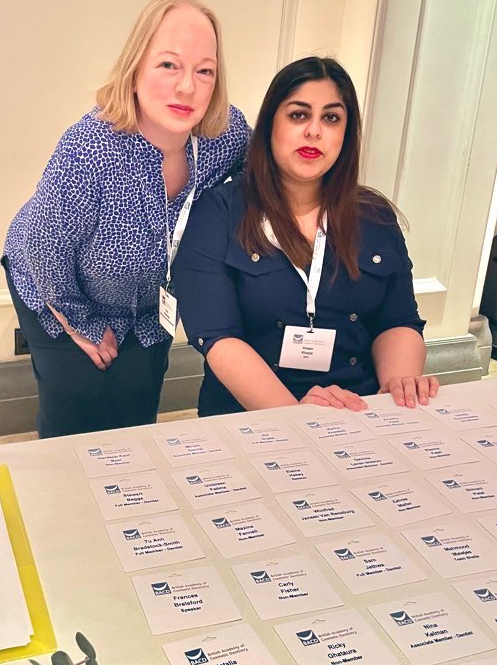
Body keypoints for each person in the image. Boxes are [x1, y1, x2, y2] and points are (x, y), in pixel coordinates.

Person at [2, 0, 250, 438]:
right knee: (76, 405)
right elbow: (43, 248)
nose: (187, 87)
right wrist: (83, 325)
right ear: (135, 69)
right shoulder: (89, 150)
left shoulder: (225, 136)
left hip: (146, 304)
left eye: (204, 71)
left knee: (137, 410)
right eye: (169, 65)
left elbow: (269, 169)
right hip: (57, 282)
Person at [173, 56, 439, 416]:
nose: (314, 131)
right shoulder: (218, 213)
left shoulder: (373, 216)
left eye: (331, 118)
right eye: (298, 115)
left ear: (346, 134)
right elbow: (220, 340)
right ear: (270, 126)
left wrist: (399, 385)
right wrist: (298, 415)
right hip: (252, 416)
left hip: (357, 409)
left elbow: (398, 322)